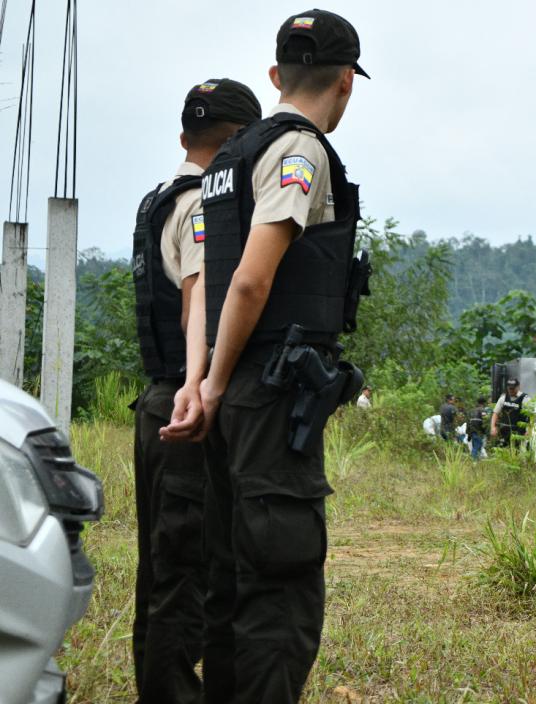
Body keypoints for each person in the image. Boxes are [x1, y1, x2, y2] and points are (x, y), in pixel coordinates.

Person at [160, 10, 369, 703]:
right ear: (346, 82)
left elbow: (204, 290)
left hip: (230, 392)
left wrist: (196, 382)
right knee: (278, 592)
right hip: (268, 397)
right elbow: (251, 279)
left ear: (276, 75)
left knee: (229, 582)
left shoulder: (223, 162)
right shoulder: (297, 151)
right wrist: (214, 385)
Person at [131, 78, 260, 703]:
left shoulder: (158, 199)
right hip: (185, 402)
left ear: (185, 136)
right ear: (239, 143)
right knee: (186, 574)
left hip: (154, 401)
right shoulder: (203, 206)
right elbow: (197, 311)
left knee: (158, 572)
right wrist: (205, 385)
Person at [490, 377, 530, 447]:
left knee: (517, 451)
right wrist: (493, 427)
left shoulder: (525, 399)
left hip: (519, 432)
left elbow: (530, 416)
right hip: (504, 431)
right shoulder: (503, 398)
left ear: (518, 387)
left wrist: (529, 430)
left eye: (513, 388)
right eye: (509, 388)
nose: (511, 390)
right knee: (502, 450)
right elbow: (495, 413)